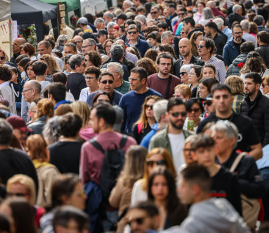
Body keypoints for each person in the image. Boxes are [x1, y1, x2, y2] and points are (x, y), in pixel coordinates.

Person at [80, 103, 136, 232]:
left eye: (92, 119)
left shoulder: (88, 147)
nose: (90, 122)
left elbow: (85, 180)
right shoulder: (130, 142)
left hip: (100, 208)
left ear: (101, 121)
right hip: (126, 205)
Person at [165, 165, 250, 233]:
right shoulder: (224, 204)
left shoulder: (193, 223)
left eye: (182, 186)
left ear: (195, 190)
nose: (178, 190)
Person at [211, 121, 264, 230]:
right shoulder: (210, 161)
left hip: (241, 223)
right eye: (213, 138)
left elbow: (259, 190)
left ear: (232, 141)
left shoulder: (246, 161)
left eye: (219, 138)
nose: (214, 141)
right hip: (215, 222)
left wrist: (234, 182)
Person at [197, 84, 262, 160]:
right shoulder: (205, 124)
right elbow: (198, 150)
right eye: (218, 97)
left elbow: (258, 150)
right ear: (213, 101)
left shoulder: (245, 122)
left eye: (225, 97)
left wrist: (242, 162)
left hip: (239, 170)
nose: (222, 101)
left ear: (232, 99)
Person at [190, 134, 242, 215]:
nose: (206, 155)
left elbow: (237, 212)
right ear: (194, 155)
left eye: (209, 150)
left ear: (215, 150)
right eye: (201, 152)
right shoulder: (190, 179)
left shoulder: (229, 178)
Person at [109, 146, 147, 232]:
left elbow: (113, 201)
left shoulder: (124, 182)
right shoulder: (150, 182)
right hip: (145, 224)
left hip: (126, 224)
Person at [149, 97, 193, 172]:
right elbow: (151, 168)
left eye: (183, 114)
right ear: (167, 115)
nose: (180, 117)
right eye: (175, 114)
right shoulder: (157, 140)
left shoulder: (192, 138)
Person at [119, 67, 162, 133]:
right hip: (132, 138)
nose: (130, 82)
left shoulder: (156, 97)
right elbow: (121, 123)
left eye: (134, 79)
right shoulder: (125, 98)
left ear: (143, 81)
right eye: (130, 79)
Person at [26, 134, 60, 207]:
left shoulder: (25, 168)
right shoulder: (50, 171)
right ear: (45, 149)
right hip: (43, 212)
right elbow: (51, 197)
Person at [240, 72, 269, 147]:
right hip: (245, 148)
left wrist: (264, 151)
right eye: (245, 83)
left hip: (260, 149)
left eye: (249, 84)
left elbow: (268, 132)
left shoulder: (266, 104)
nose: (245, 86)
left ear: (257, 86)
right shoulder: (243, 104)